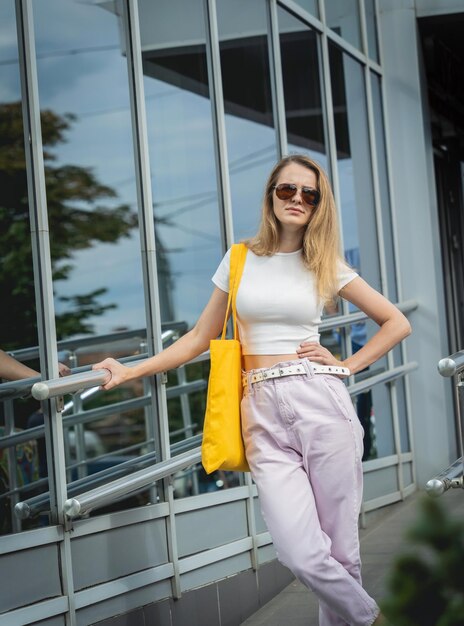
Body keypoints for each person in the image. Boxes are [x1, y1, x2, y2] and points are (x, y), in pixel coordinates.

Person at [93, 155, 410, 625]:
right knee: (301, 551)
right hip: (259, 409)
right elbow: (199, 338)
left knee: (342, 553)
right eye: (288, 190)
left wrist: (345, 367)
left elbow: (395, 322)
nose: (298, 200)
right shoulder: (239, 258)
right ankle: (371, 619)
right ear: (271, 196)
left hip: (319, 401)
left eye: (310, 194)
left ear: (320, 205)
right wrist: (132, 370)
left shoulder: (325, 264)